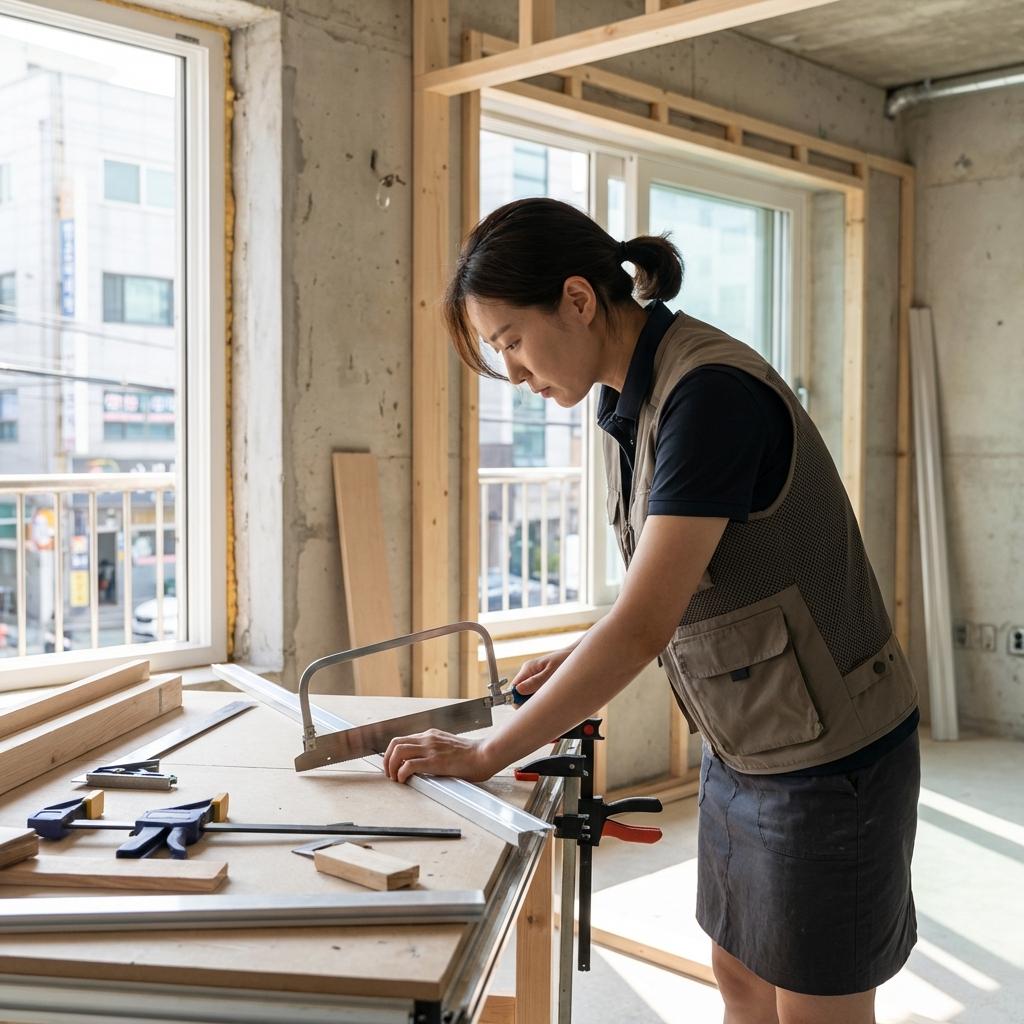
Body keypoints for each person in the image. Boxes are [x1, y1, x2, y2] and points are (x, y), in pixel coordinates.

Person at [383, 197, 920, 1023]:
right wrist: (577, 654)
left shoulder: (709, 397)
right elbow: (666, 592)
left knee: (817, 1011)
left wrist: (486, 752)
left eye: (512, 343)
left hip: (831, 762)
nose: (517, 375)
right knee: (740, 979)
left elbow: (642, 628)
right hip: (751, 740)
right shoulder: (629, 402)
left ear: (578, 298)